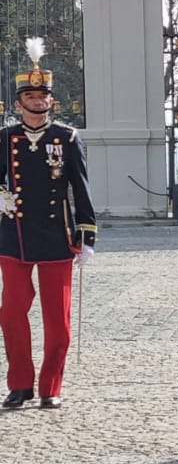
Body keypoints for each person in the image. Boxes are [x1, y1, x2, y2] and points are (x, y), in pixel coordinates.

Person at [1, 43, 96, 410]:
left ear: (52, 102)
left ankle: (50, 386)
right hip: (14, 236)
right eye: (30, 95)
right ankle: (19, 384)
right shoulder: (5, 138)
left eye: (43, 96)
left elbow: (81, 188)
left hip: (58, 236)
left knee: (58, 320)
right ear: (18, 102)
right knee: (10, 312)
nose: (37, 101)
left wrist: (87, 236)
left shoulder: (68, 139)